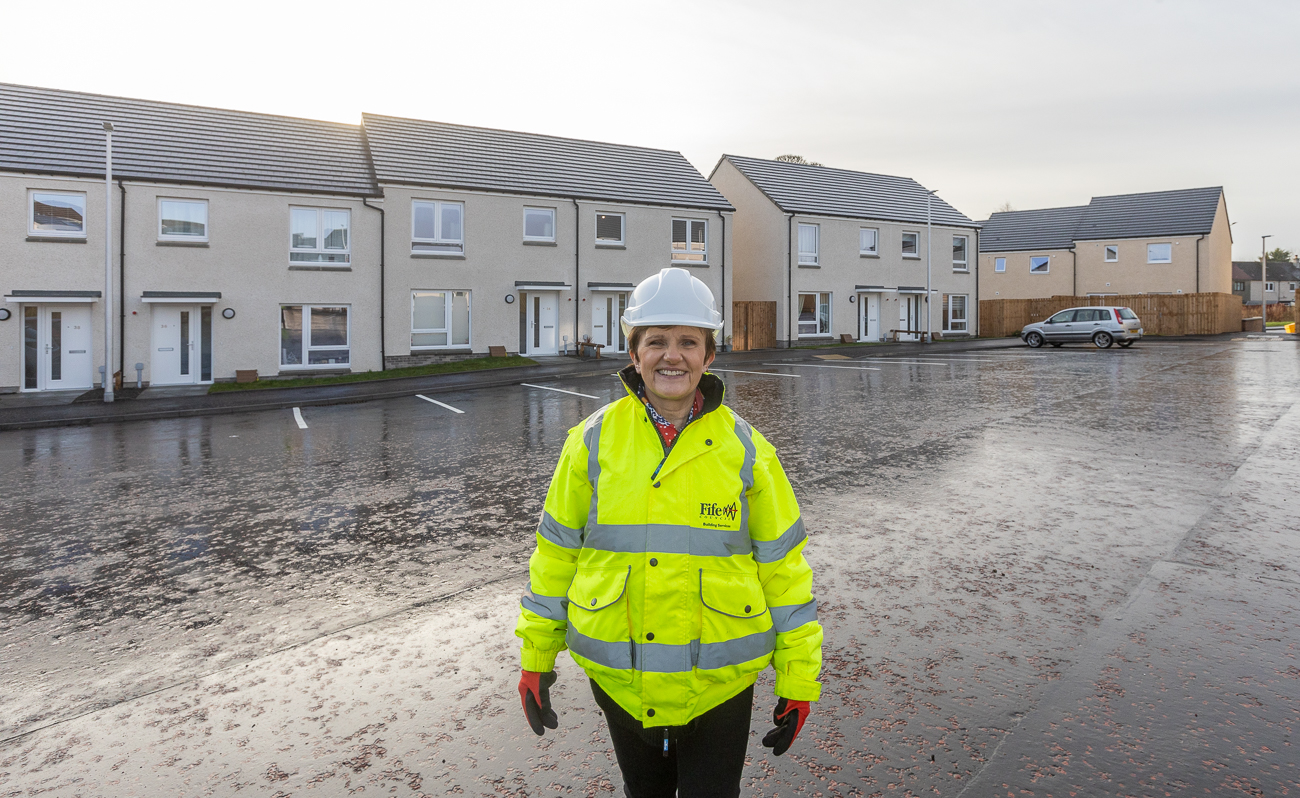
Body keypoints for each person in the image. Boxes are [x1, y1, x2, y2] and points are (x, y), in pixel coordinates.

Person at [515, 267, 823, 797]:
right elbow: (555, 556)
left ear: (709, 355)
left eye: (688, 342)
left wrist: (798, 676)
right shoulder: (590, 443)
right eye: (655, 341)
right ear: (633, 354)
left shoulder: (749, 453)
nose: (671, 356)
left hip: (719, 684)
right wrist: (536, 657)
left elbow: (784, 569)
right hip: (621, 678)